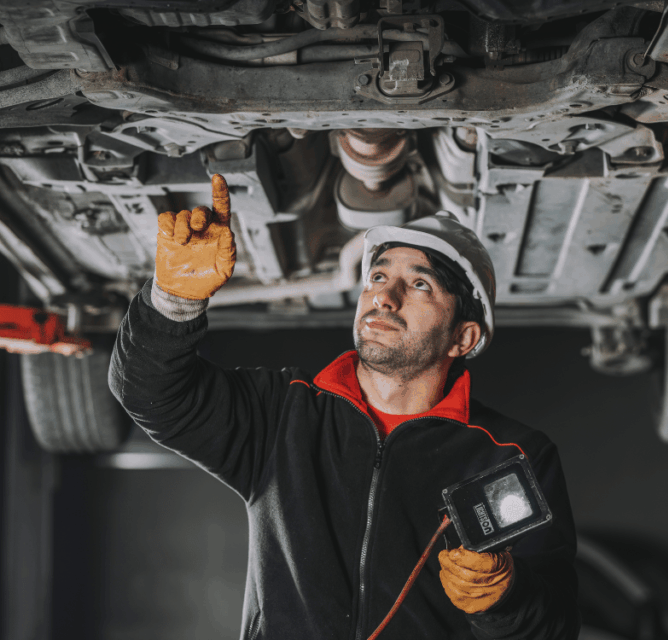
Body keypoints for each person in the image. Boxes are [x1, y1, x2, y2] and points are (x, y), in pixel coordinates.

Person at [109, 173, 580, 640]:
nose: (384, 296)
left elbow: (554, 630)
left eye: (419, 285)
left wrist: (505, 598)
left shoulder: (512, 457)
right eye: (378, 275)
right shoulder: (284, 412)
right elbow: (150, 392)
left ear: (464, 336)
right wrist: (173, 301)